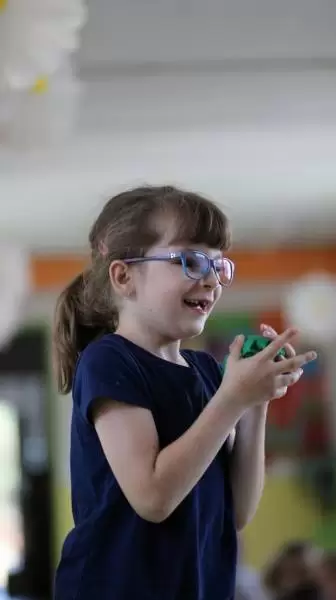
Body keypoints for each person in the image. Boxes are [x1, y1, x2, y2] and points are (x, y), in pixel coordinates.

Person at [52, 185, 317, 600]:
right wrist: (232, 399)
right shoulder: (109, 361)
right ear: (123, 277)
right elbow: (153, 497)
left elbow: (237, 511)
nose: (212, 280)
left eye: (219, 265)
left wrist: (255, 402)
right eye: (190, 261)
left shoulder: (207, 372)